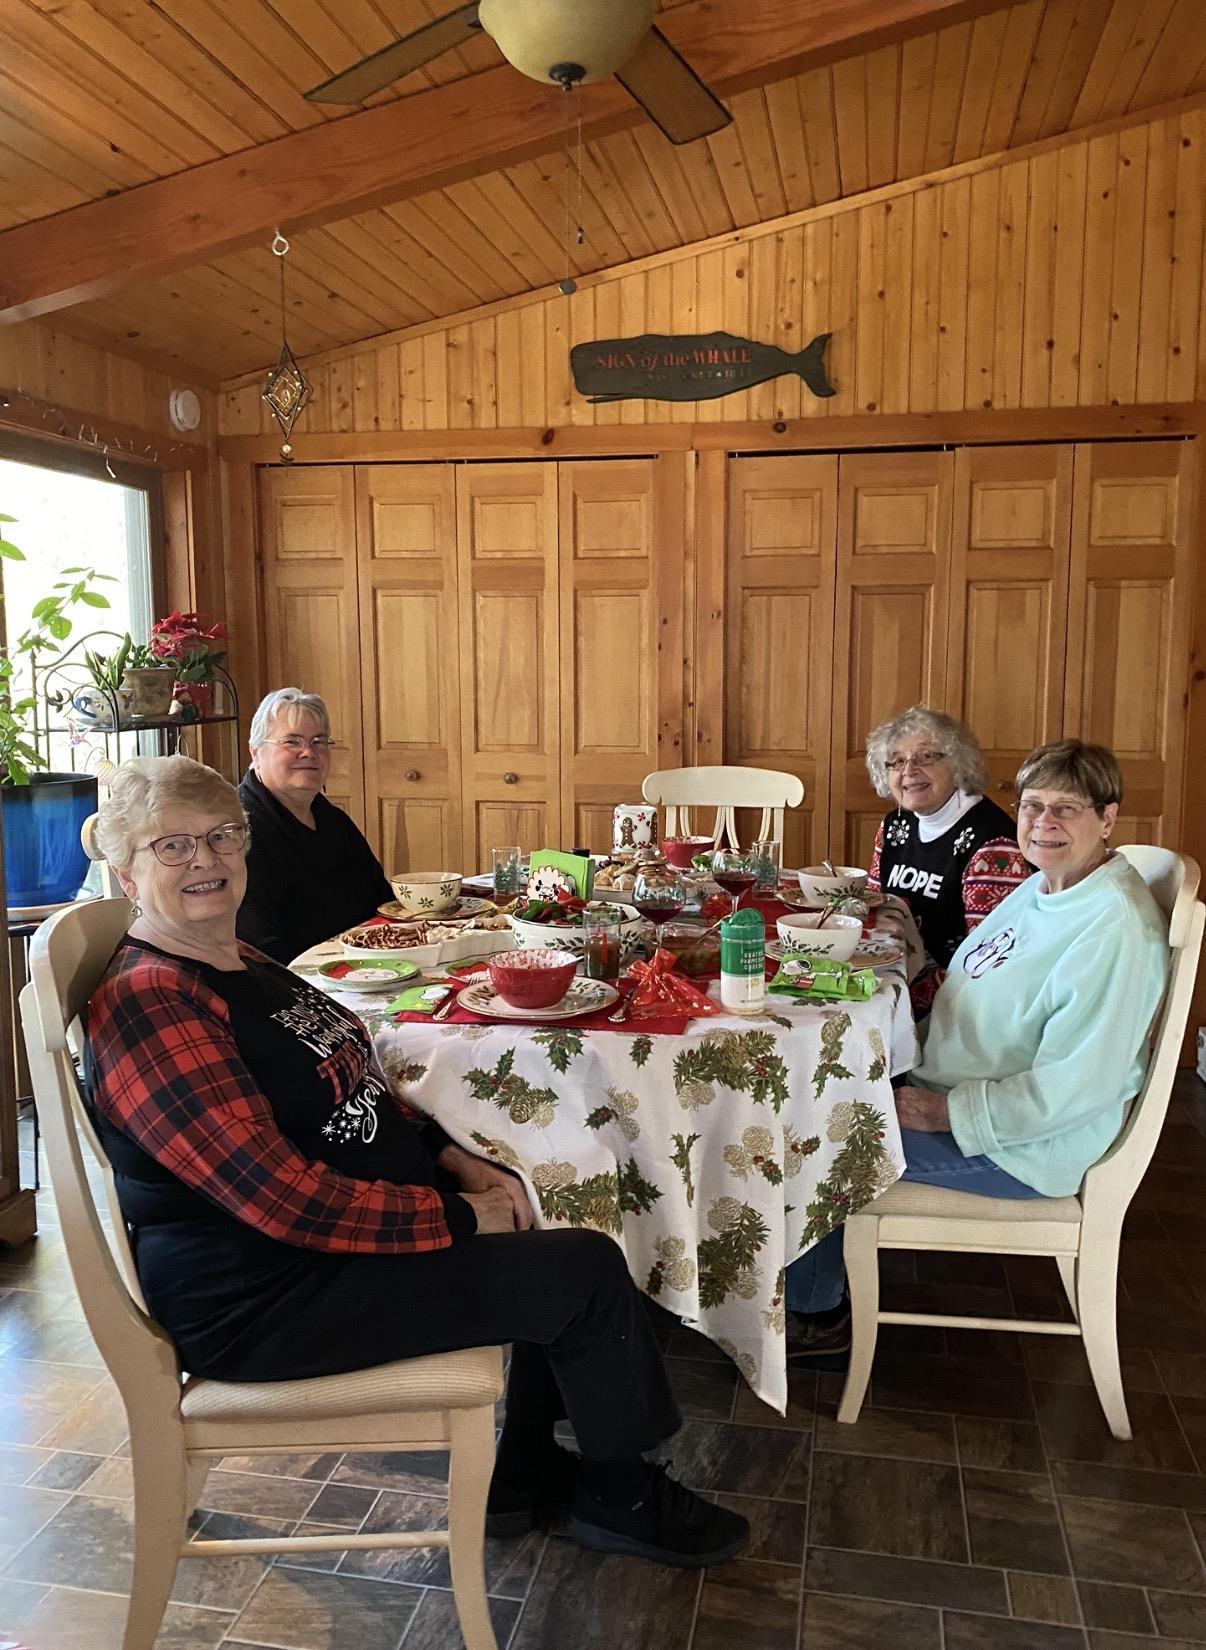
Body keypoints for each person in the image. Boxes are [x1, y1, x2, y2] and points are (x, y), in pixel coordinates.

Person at [86, 755, 747, 1568]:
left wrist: (452, 1159)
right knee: (579, 1273)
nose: (207, 861)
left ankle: (525, 1473)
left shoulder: (240, 963)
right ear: (125, 874)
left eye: (222, 836)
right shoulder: (151, 1003)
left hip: (325, 1252)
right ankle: (621, 1497)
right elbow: (283, 1201)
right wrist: (457, 1215)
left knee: (549, 1207)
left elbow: (356, 1083)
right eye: (172, 847)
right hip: (268, 1295)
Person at [785, 739, 1168, 1359]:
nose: (1044, 823)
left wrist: (945, 1113)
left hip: (1021, 1143)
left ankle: (816, 1314)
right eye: (1033, 806)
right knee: (804, 1088)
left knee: (813, 1139)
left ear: (1108, 818)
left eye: (1066, 809)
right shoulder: (1046, 885)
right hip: (956, 1089)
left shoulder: (1113, 929)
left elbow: (1077, 1087)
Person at [865, 705, 1030, 1014]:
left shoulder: (993, 846)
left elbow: (986, 962)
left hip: (956, 1006)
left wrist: (901, 1001)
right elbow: (874, 910)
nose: (909, 770)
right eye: (897, 761)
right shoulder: (895, 826)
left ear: (957, 763)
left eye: (926, 756)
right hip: (895, 980)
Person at [236, 688, 393, 964]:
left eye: (319, 740)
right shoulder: (240, 832)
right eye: (292, 742)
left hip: (367, 967)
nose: (309, 752)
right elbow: (261, 946)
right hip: (297, 984)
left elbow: (383, 902)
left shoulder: (332, 819)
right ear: (256, 752)